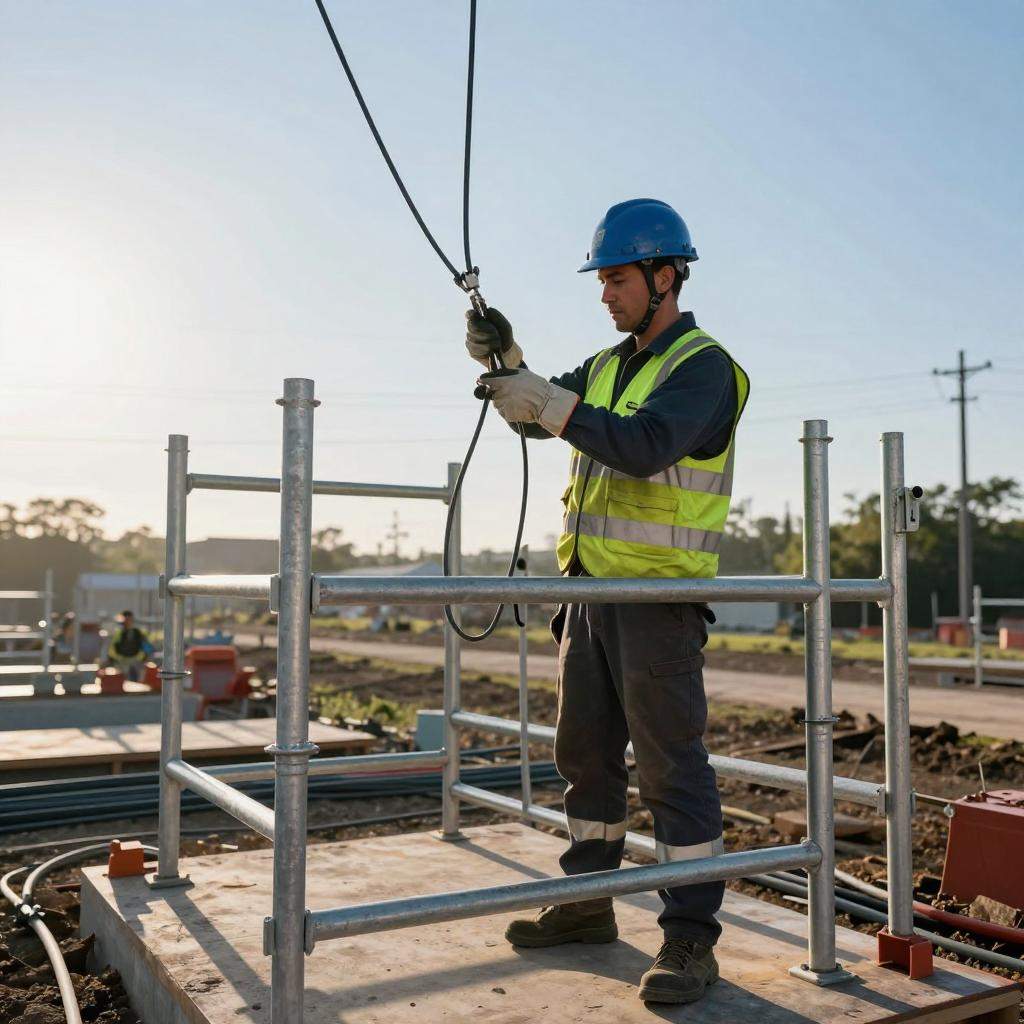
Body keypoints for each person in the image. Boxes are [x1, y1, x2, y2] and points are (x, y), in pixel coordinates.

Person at [465, 199, 749, 1006]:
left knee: (670, 768)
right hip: (588, 595)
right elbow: (541, 416)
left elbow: (644, 446)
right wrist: (507, 360)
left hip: (658, 601)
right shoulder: (604, 365)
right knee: (585, 759)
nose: (605, 293)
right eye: (602, 280)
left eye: (617, 278)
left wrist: (543, 401)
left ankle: (690, 937)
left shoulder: (704, 367)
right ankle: (588, 901)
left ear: (666, 276)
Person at [106, 610, 150, 682]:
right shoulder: (118, 633)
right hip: (121, 663)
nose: (127, 622)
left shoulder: (138, 632)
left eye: (129, 619)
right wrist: (115, 659)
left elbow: (146, 647)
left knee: (134, 682)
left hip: (135, 663)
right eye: (126, 619)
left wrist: (141, 659)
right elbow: (112, 649)